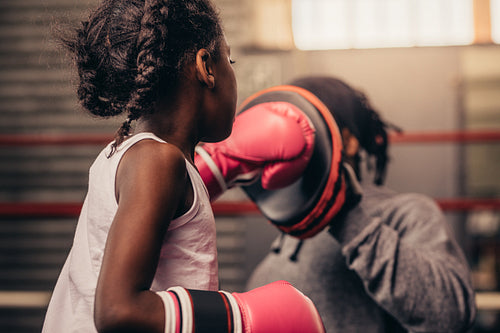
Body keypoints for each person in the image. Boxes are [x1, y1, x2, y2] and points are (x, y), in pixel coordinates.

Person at [42, 1, 325, 332]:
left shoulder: (132, 155)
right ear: (206, 66)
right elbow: (118, 310)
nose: (233, 72)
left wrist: (220, 168)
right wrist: (241, 315)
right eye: (228, 59)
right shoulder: (157, 162)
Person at [195, 76, 477, 332]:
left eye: (305, 128)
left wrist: (348, 216)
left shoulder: (404, 212)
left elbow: (449, 315)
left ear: (349, 142)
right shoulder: (286, 238)